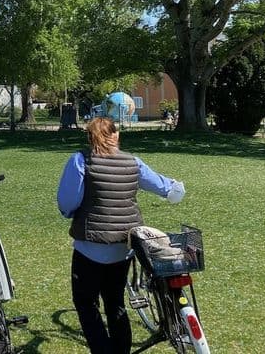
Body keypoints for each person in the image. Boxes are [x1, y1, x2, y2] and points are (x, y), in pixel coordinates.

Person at [57, 116, 185, 354]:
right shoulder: (133, 163)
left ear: (89, 137)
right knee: (115, 303)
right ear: (116, 136)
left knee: (86, 303)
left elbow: (67, 203)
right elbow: (167, 188)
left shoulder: (80, 160)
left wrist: (72, 212)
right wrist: (177, 188)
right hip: (123, 247)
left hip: (89, 247)